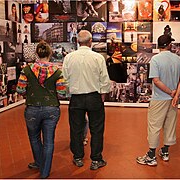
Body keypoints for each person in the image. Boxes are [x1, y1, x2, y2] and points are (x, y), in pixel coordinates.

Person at [16, 41, 66, 178]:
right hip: (51, 109)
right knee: (49, 141)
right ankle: (45, 173)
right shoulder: (57, 71)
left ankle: (38, 162)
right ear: (50, 54)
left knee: (34, 138)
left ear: (37, 54)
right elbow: (62, 93)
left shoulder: (26, 70)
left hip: (32, 108)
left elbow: (20, 89)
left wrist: (29, 93)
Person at [62, 30, 111, 170]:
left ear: (78, 41)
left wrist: (68, 93)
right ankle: (96, 159)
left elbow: (65, 79)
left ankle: (77, 157)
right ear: (90, 42)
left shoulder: (69, 58)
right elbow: (104, 79)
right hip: (93, 97)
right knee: (97, 129)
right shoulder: (98, 57)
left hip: (76, 98)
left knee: (76, 128)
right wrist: (103, 94)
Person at [136, 34, 180, 166]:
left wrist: (170, 92)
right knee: (170, 125)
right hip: (173, 100)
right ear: (169, 44)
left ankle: (151, 156)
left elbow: (156, 80)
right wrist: (175, 95)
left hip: (159, 98)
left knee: (154, 126)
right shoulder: (178, 60)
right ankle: (165, 151)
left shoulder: (155, 60)